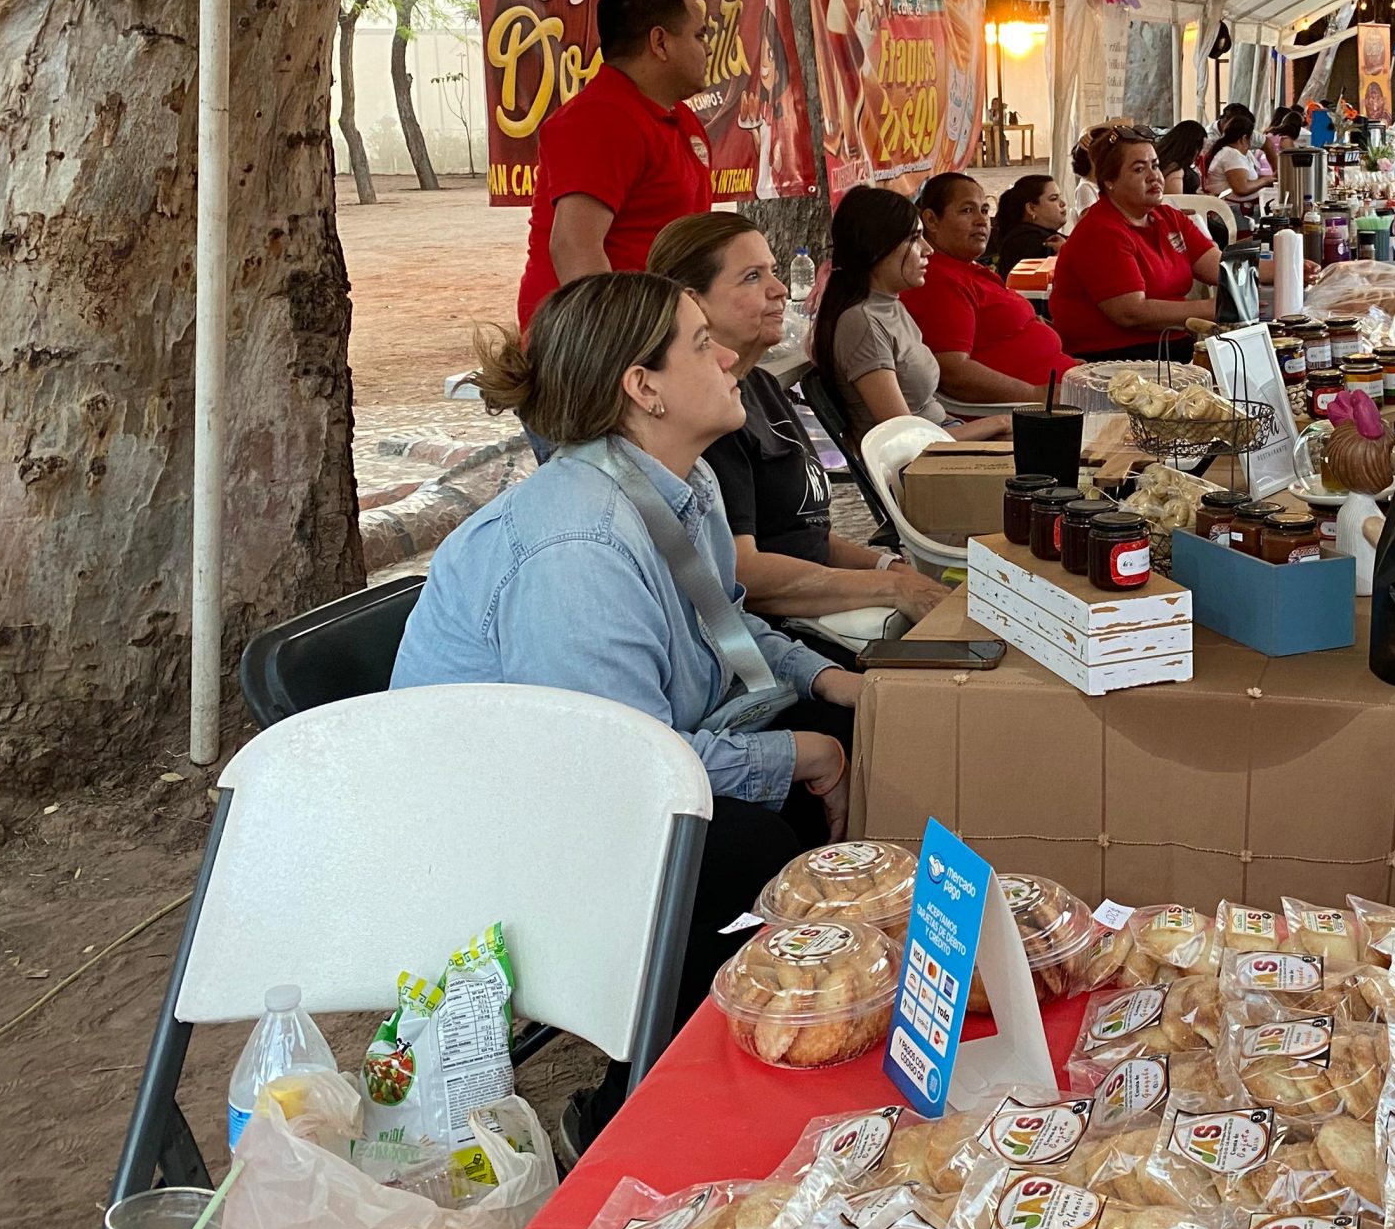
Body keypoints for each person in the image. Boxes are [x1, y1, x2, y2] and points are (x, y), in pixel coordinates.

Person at [394, 271, 857, 1148]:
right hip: (499, 834)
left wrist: (831, 684)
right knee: (738, 848)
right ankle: (627, 1111)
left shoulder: (679, 485)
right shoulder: (580, 547)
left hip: (599, 772)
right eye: (701, 345)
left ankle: (785, 1024)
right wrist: (800, 754)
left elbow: (728, 631)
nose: (729, 357)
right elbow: (621, 771)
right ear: (643, 388)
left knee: (846, 726)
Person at [647, 213, 951, 625]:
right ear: (693, 303)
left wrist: (890, 567)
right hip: (784, 627)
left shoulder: (760, 386)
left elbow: (806, 537)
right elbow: (741, 572)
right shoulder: (707, 416)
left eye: (772, 271)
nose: (780, 289)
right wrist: (891, 587)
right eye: (752, 277)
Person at [516, 0, 715, 328]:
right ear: (660, 43)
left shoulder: (678, 118)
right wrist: (612, 345)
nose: (709, 48)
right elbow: (574, 247)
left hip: (658, 327)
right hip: (593, 339)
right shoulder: (599, 118)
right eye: (699, 35)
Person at [1049, 127, 1300, 358]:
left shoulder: (1167, 217)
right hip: (1117, 359)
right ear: (1109, 182)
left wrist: (1291, 269)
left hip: (1169, 345)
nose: (1154, 177)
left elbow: (1219, 266)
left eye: (1155, 165)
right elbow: (1131, 313)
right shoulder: (1100, 231)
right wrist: (1219, 307)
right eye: (1139, 169)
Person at [814, 186, 1013, 441]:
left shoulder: (890, 304)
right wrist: (998, 422)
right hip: (925, 457)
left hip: (944, 435)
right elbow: (906, 439)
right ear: (877, 247)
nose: (928, 249)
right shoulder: (862, 323)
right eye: (913, 238)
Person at [901, 172, 1073, 401]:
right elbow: (954, 373)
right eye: (967, 210)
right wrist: (1036, 394)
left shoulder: (965, 268)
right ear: (931, 220)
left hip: (1064, 384)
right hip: (1034, 409)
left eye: (984, 210)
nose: (982, 221)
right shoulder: (937, 279)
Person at [983, 173, 1068, 276]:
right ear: (1031, 208)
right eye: (1053, 199)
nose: (1062, 203)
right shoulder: (1031, 243)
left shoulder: (1039, 236)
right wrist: (1067, 254)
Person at [1203, 105, 1272, 216]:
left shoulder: (1233, 153)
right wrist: (1265, 181)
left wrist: (1270, 179)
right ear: (1244, 138)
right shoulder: (1231, 155)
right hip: (1234, 212)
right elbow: (1242, 188)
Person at [1156, 120, 1208, 195]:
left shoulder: (1170, 163)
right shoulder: (1175, 170)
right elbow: (1176, 199)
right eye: (1200, 148)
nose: (1200, 154)